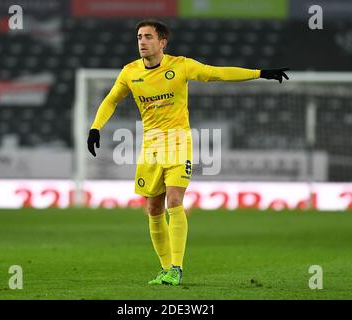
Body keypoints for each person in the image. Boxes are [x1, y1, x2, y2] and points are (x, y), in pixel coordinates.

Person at [87, 19, 289, 286]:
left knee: (174, 200)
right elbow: (112, 99)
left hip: (179, 142)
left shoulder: (180, 65)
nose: (142, 42)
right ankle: (165, 268)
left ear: (162, 42)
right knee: (153, 207)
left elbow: (216, 73)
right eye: (139, 37)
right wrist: (95, 127)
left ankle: (177, 267)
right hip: (151, 146)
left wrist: (259, 73)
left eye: (148, 37)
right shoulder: (129, 72)